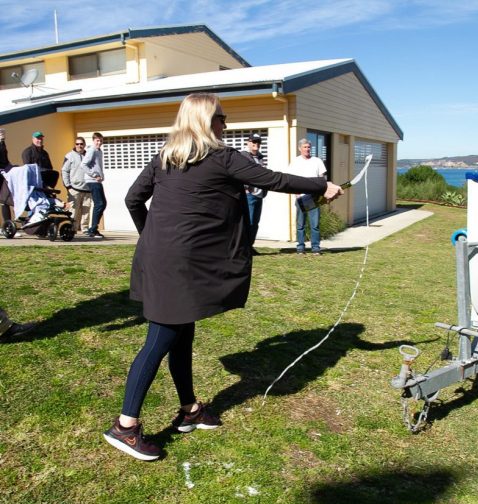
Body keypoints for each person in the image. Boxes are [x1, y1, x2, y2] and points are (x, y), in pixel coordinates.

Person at [102, 92, 343, 461]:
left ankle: (190, 410)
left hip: (165, 259)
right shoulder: (223, 157)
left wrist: (153, 236)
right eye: (221, 117)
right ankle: (126, 426)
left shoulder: (165, 158)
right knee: (159, 339)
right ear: (205, 120)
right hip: (180, 267)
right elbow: (274, 179)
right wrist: (321, 185)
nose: (225, 124)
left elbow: (133, 199)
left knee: (181, 336)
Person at [286, 138, 328, 255]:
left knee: (315, 225)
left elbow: (322, 179)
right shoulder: (295, 162)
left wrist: (322, 193)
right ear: (300, 149)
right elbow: (290, 179)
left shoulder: (317, 161)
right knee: (301, 225)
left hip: (314, 197)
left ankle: (315, 248)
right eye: (305, 147)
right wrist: (296, 193)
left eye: (309, 147)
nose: (307, 149)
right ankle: (300, 248)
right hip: (301, 197)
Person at [240, 133, 267, 255]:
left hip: (259, 194)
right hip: (248, 194)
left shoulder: (261, 157)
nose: (256, 144)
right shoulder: (243, 156)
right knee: (249, 222)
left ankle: (250, 246)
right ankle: (245, 248)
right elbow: (239, 173)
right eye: (254, 142)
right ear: (248, 143)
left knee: (255, 223)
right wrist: (245, 189)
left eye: (258, 142)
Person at [62, 137, 91, 232]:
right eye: (77, 144)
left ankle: (85, 229)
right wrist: (68, 186)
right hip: (74, 189)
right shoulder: (69, 156)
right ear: (75, 145)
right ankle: (72, 229)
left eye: (81, 144)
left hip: (87, 189)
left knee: (86, 211)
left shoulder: (89, 156)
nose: (79, 146)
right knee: (73, 211)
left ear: (84, 145)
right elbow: (64, 171)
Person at [81, 132, 106, 238]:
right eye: (97, 141)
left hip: (97, 181)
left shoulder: (99, 151)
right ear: (93, 140)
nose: (99, 143)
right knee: (99, 204)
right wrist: (94, 175)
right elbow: (83, 165)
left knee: (102, 203)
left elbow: (98, 166)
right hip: (92, 181)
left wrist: (101, 176)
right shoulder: (91, 150)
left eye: (100, 141)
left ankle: (94, 228)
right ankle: (92, 230)